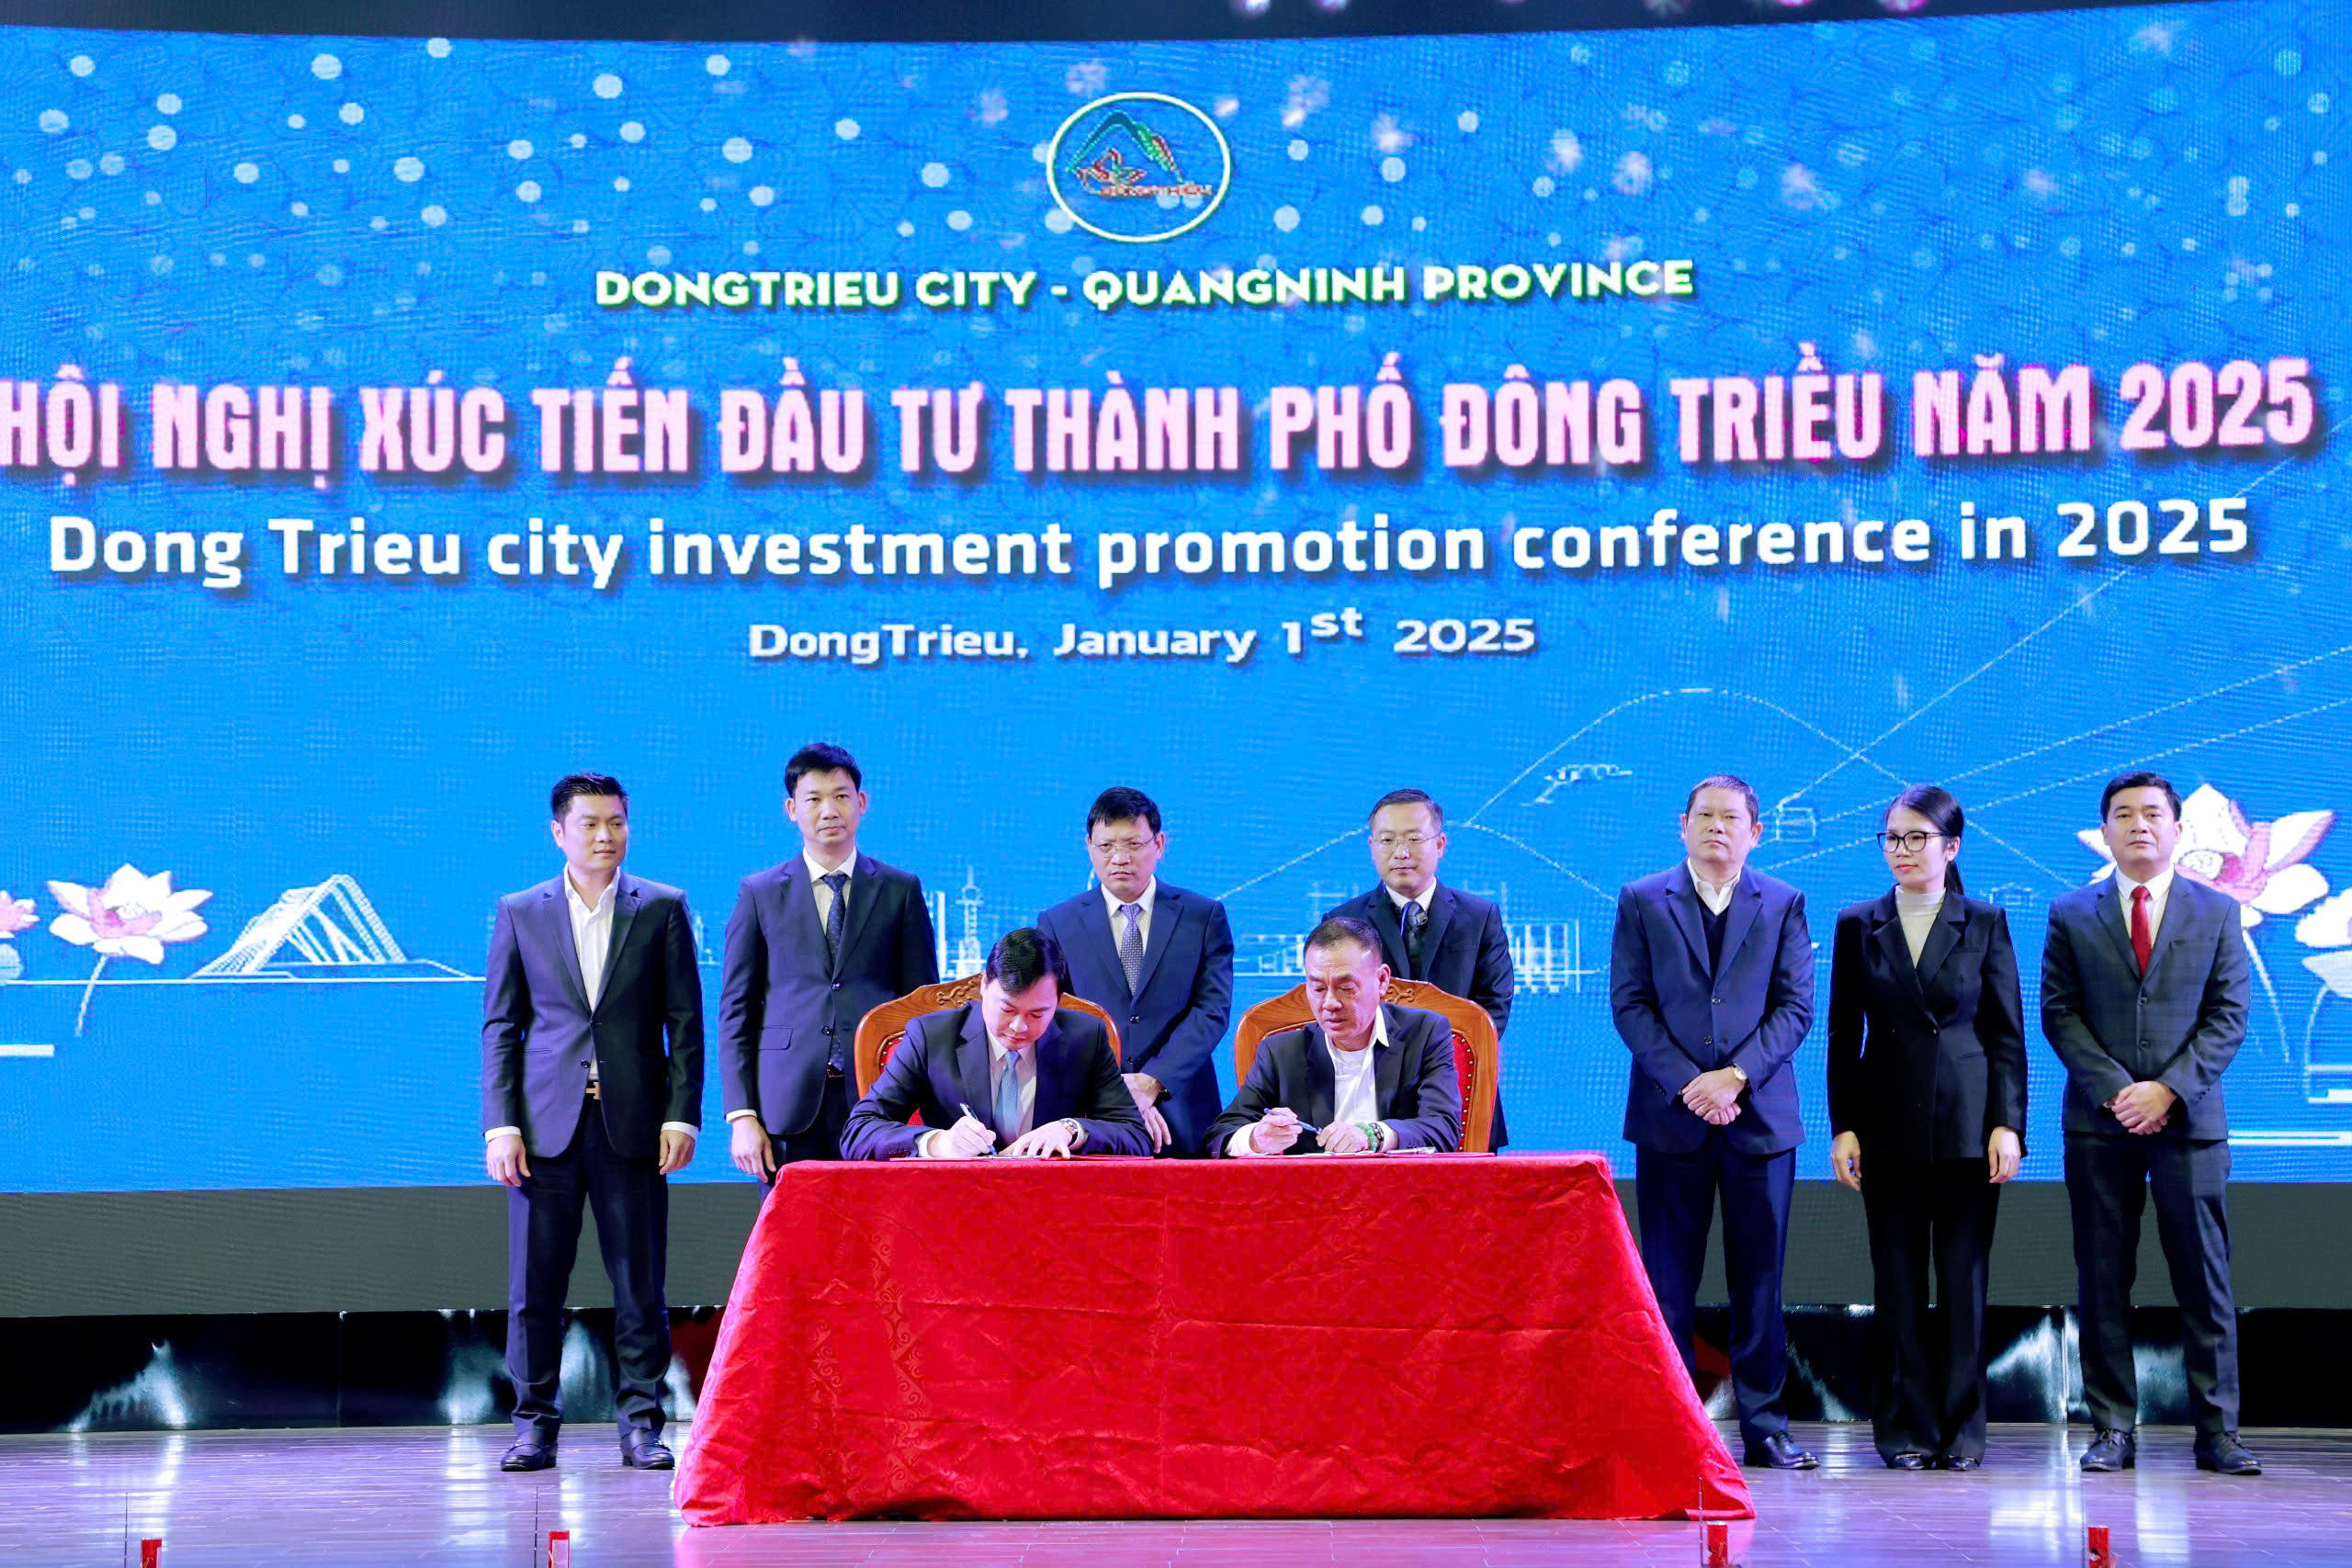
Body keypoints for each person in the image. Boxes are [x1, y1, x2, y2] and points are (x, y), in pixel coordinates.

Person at [481, 773, 704, 1473]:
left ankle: (641, 1425)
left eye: (617, 822)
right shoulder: (521, 911)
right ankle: (534, 1426)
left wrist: (682, 1114)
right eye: (590, 823)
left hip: (633, 1124)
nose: (606, 835)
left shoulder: (662, 907)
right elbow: (501, 1026)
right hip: (543, 1130)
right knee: (534, 1289)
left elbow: (685, 1024)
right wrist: (500, 1124)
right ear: (559, 831)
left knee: (640, 1286)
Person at [2043, 771, 2258, 1476]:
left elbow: (2228, 1016)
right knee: (2103, 1276)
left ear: (2178, 828)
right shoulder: (2071, 912)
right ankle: (2112, 1427)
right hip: (2099, 1125)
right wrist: (2118, 1091)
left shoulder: (2218, 910)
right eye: (2123, 814)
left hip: (2190, 1123)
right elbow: (2059, 1013)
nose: (2139, 824)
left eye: (2152, 814)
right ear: (2105, 830)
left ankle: (2219, 1432)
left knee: (2205, 1276)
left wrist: (2166, 1089)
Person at [1611, 774, 1817, 1470]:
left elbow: (1795, 1007)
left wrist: (1735, 1076)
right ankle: (1671, 1429)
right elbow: (1630, 1005)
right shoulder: (1642, 900)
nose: (1716, 828)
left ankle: (1765, 1427)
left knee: (1760, 1282)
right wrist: (1689, 1083)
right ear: (1683, 824)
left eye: (1731, 818)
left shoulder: (1783, 902)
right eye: (1704, 816)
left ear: (1756, 832)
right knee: (1668, 1285)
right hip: (1672, 1119)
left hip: (1759, 1121)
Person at [1826, 785, 2026, 1471]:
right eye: (1893, 838)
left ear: (1951, 846)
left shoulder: (1986, 921)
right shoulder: (1858, 923)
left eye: (1917, 838)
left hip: (1969, 1127)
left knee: (1964, 1281)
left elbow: (2006, 1034)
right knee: (1899, 1282)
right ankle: (1906, 1430)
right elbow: (1842, 1035)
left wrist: (2008, 1124)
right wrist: (1844, 1126)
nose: (1903, 850)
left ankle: (1963, 1432)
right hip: (1886, 1125)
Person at [718, 743, 938, 1179]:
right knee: (792, 1222)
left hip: (880, 1099)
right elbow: (736, 1011)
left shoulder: (900, 889)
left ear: (862, 802)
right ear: (791, 809)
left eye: (840, 796)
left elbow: (921, 1007)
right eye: (813, 799)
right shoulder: (760, 893)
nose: (829, 810)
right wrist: (742, 1116)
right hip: (786, 1102)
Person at [1035, 786, 1236, 1156]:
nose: (1119, 858)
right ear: (1088, 847)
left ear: (1159, 844)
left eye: (1133, 844)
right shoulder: (1058, 923)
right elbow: (1056, 1019)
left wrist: (1152, 1081)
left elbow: (1211, 1011)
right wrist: (1115, 1091)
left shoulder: (1202, 916)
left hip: (1182, 1104)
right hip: (1091, 1111)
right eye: (1106, 846)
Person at [840, 928, 1152, 1160]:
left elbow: (1135, 1135)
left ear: (1057, 1002)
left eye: (1037, 1014)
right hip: (952, 1201)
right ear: (984, 985)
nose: (1019, 1027)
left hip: (1053, 1201)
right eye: (1007, 1009)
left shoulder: (1085, 1037)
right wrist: (936, 1142)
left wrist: (1071, 1129)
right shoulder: (931, 1036)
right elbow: (859, 1132)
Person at [1322, 788, 1515, 1148]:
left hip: (1461, 1094)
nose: (1401, 852)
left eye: (1414, 839)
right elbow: (1334, 1007)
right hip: (1368, 1097)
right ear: (1372, 847)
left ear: (1440, 844)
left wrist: (1440, 1058)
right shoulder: (1342, 921)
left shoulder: (1479, 916)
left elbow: (1493, 1007)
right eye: (1388, 840)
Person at [1208, 915, 1463, 1156]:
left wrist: (1373, 1135)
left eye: (1346, 988)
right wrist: (1256, 1138)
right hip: (1313, 1187)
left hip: (1401, 1184)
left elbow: (1443, 1129)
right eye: (1318, 988)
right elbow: (1219, 1136)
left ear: (1382, 980)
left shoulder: (1424, 1033)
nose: (1330, 1003)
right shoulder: (1281, 1053)